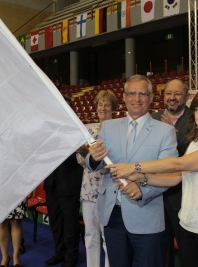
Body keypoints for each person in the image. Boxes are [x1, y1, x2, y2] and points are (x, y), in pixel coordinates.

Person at [108, 86, 198, 267]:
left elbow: (178, 164)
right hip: (188, 227)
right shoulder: (195, 143)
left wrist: (133, 167)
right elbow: (174, 178)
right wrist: (139, 177)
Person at [86, 75, 178, 267]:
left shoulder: (165, 131)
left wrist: (143, 190)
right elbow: (93, 163)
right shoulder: (109, 127)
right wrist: (93, 157)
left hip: (146, 214)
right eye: (132, 93)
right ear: (125, 97)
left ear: (151, 98)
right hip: (112, 215)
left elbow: (168, 173)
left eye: (142, 94)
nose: (137, 98)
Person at [151, 79, 191, 267]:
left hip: (182, 195)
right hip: (156, 195)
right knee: (162, 245)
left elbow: (193, 151)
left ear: (186, 96)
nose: (172, 98)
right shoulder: (153, 117)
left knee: (186, 247)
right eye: (168, 93)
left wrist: (172, 132)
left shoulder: (196, 118)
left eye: (177, 94)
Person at [76, 90, 118, 267]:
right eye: (100, 104)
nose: (103, 107)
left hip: (109, 191)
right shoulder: (89, 132)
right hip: (89, 191)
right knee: (90, 235)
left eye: (107, 104)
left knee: (108, 238)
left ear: (113, 108)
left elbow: (118, 159)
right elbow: (80, 161)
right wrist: (84, 152)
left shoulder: (118, 132)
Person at [44, 95, 84, 267]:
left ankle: (71, 257)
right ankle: (59, 253)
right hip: (51, 184)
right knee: (56, 223)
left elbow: (82, 157)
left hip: (69, 184)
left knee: (70, 225)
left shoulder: (78, 130)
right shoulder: (49, 129)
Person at [0, 199, 28, 267]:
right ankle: (5, 258)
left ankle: (16, 257)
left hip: (17, 190)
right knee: (2, 223)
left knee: (16, 221)